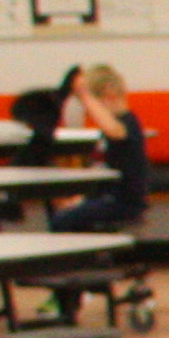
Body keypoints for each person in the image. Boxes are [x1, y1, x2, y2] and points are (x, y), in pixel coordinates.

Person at [47, 65, 152, 231]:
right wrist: (81, 199)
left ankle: (84, 256)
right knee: (63, 214)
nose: (90, 113)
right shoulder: (112, 128)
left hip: (124, 202)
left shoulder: (128, 122)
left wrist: (85, 94)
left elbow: (115, 130)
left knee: (62, 221)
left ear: (110, 94)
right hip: (109, 196)